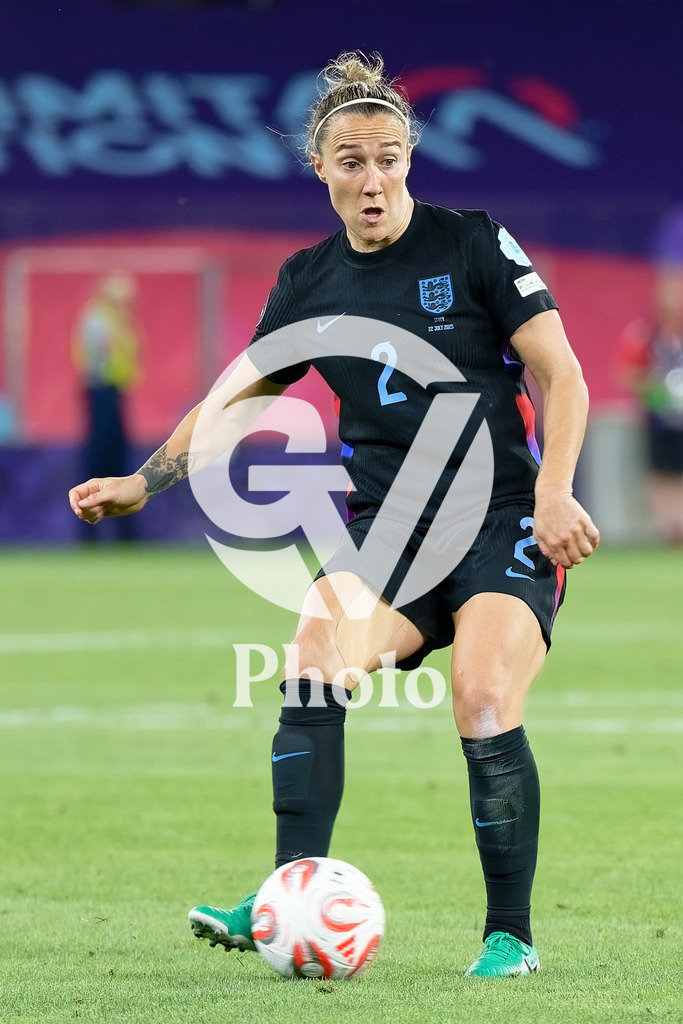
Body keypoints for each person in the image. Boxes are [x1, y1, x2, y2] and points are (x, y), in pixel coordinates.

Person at [68, 52, 599, 977]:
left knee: (478, 698)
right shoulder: (309, 282)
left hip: (501, 516)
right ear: (320, 167)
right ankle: (286, 899)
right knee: (315, 657)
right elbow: (234, 399)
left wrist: (554, 490)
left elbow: (561, 373)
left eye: (389, 157)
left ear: (408, 159)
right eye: (351, 161)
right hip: (388, 527)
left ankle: (508, 935)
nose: (373, 179)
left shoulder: (473, 242)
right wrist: (143, 483)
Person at [72, 272, 142, 540]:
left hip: (112, 391)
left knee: (114, 457)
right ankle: (92, 531)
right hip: (102, 391)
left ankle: (118, 531)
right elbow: (100, 357)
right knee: (103, 457)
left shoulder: (113, 319)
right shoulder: (100, 318)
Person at [619, 268, 683, 544]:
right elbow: (627, 374)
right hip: (659, 419)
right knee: (659, 474)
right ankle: (668, 531)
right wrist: (656, 393)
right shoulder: (645, 334)